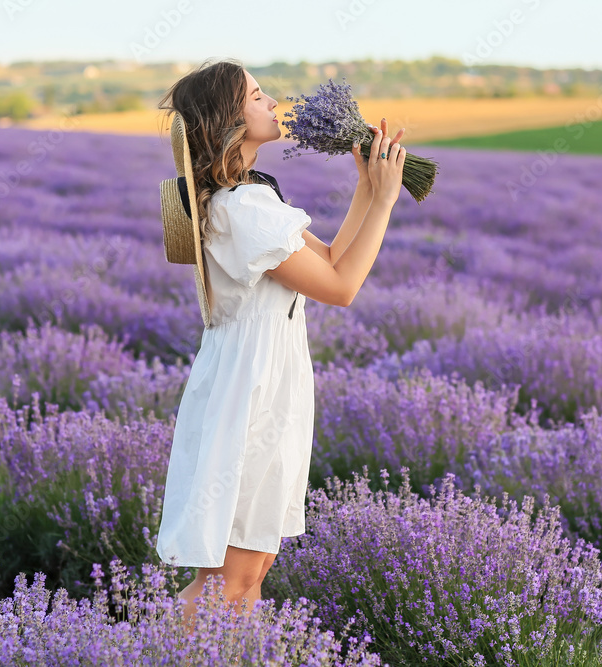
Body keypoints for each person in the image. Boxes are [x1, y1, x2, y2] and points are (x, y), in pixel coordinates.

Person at [154, 57, 406, 635]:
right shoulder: (239, 211)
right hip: (251, 393)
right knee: (230, 579)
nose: (274, 104)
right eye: (258, 96)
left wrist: (369, 185)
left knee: (255, 565)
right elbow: (342, 289)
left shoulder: (252, 201)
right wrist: (386, 201)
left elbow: (334, 261)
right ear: (228, 121)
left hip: (268, 383)